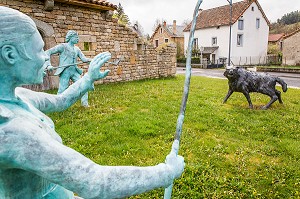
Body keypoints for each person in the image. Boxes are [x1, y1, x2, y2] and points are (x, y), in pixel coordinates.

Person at [0, 6, 184, 199]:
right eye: (39, 50)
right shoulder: (10, 132)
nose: (46, 57)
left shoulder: (19, 96)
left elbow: (60, 101)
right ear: (10, 54)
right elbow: (95, 181)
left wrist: (88, 79)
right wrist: (167, 172)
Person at [46, 30, 92, 107]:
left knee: (84, 85)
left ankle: (85, 104)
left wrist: (92, 60)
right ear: (70, 37)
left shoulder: (77, 49)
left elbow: (84, 59)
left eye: (78, 37)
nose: (78, 39)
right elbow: (48, 52)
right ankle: (57, 105)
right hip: (65, 71)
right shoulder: (62, 46)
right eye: (76, 37)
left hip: (74, 71)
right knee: (62, 90)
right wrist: (48, 65)